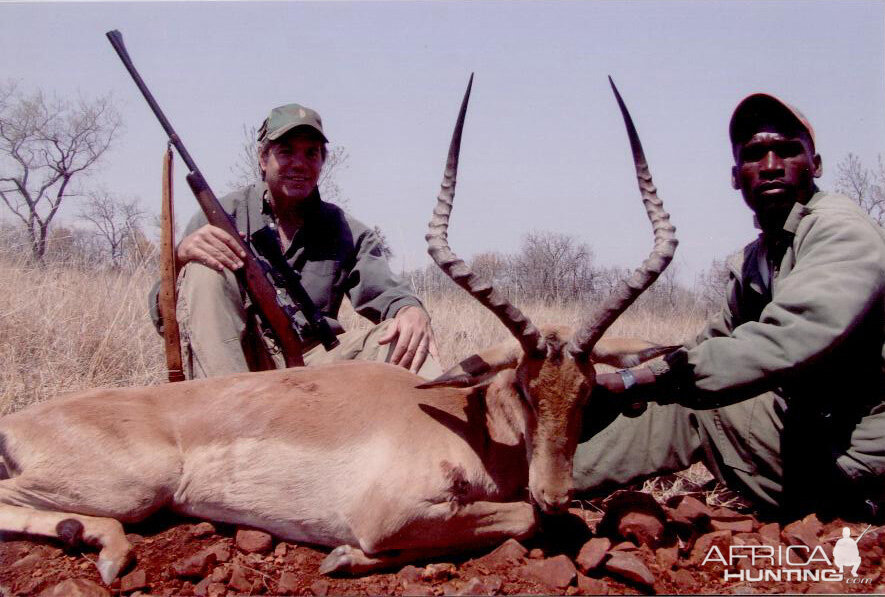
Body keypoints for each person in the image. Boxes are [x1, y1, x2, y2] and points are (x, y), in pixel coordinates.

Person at [573, 93, 885, 521]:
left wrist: (638, 381)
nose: (771, 165)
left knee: (689, 403)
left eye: (788, 150)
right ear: (737, 176)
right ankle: (535, 476)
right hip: (815, 439)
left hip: (860, 462)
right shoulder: (762, 255)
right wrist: (610, 386)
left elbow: (781, 339)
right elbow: (713, 342)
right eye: (755, 155)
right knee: (670, 389)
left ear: (816, 164)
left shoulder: (841, 232)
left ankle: (528, 488)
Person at [152, 103, 442, 380]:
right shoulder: (220, 215)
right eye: (286, 152)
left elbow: (386, 292)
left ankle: (454, 427)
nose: (299, 164)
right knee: (204, 269)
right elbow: (163, 316)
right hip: (235, 366)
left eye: (311, 153)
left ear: (322, 162)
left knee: (404, 335)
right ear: (263, 158)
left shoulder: (346, 229)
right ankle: (226, 419)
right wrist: (179, 260)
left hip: (316, 360)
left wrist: (410, 310)